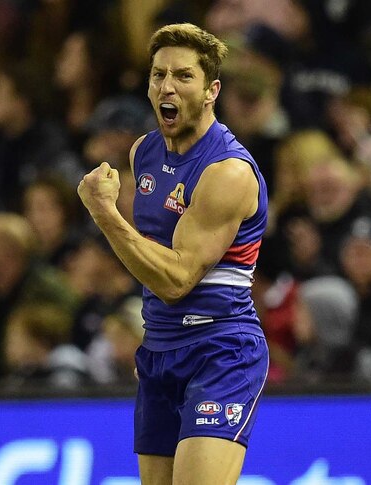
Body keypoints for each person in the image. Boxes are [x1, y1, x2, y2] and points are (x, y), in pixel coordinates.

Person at [77, 23, 269, 485]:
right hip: (159, 349)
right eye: (158, 74)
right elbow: (145, 256)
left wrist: (105, 214)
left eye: (183, 76)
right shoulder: (143, 152)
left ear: (211, 91)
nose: (167, 86)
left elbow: (177, 278)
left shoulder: (227, 171)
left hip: (220, 349)